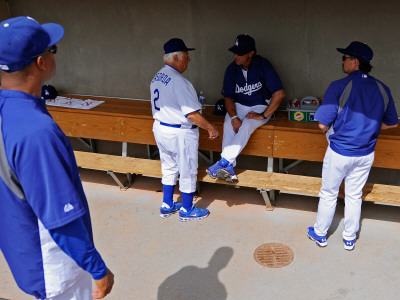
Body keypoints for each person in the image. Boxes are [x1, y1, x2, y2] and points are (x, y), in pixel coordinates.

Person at [0, 16, 114, 299]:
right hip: (53, 263)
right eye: (53, 50)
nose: (54, 55)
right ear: (41, 62)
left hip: (22, 249)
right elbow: (60, 217)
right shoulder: (36, 131)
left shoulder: (10, 109)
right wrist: (98, 270)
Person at [307, 41, 398, 251]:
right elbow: (393, 122)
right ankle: (349, 238)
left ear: (355, 62)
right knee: (354, 195)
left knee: (329, 193)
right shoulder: (383, 88)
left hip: (340, 152)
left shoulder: (339, 85)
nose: (342, 61)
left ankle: (320, 233)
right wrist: (369, 127)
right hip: (366, 154)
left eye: (345, 58)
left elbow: (322, 125)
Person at [150, 38, 219, 221]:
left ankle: (167, 204)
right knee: (187, 169)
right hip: (179, 132)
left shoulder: (157, 76)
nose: (189, 61)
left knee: (169, 167)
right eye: (186, 57)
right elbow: (192, 115)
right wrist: (211, 128)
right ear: (176, 58)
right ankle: (187, 210)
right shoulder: (180, 81)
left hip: (161, 128)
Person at [206, 34, 285, 182]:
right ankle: (228, 167)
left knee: (248, 124)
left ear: (251, 53)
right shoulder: (232, 69)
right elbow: (228, 97)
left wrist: (263, 115)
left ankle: (223, 162)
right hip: (239, 105)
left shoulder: (263, 65)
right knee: (229, 122)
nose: (236, 55)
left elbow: (279, 94)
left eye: (240, 53)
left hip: (260, 105)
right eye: (235, 52)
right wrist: (234, 117)